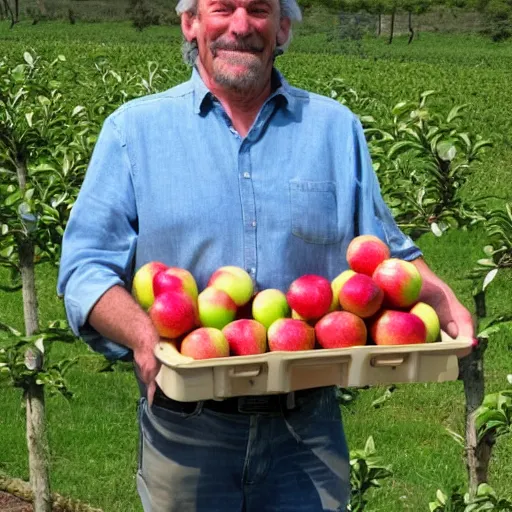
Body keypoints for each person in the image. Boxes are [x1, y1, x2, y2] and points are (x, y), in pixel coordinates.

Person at [57, 0, 475, 509]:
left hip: (307, 427)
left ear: (282, 27)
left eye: (258, 9)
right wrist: (144, 334)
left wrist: (439, 294)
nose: (240, 25)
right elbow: (85, 269)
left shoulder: (333, 129)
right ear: (191, 23)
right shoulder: (133, 133)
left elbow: (385, 251)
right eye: (222, 8)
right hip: (187, 427)